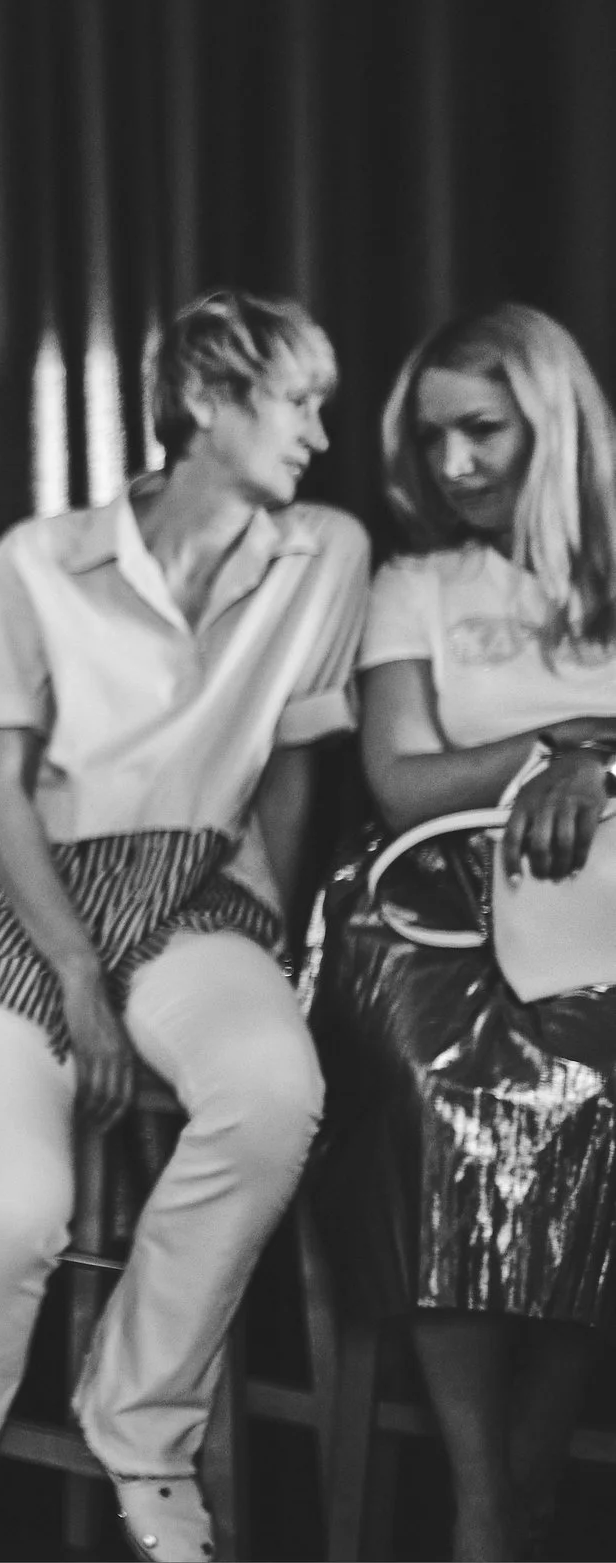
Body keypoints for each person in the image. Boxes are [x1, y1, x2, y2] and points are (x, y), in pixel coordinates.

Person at [0, 289, 370, 1563]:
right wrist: (79, 976)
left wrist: (264, 926)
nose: (319, 430)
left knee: (270, 1091)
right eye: (297, 399)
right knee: (16, 1205)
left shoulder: (327, 554)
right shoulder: (42, 558)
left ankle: (139, 1424)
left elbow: (301, 761)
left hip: (196, 895)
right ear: (207, 396)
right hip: (13, 906)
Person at [314, 302, 616, 1561]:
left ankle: (520, 1487)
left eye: (480, 430)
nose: (451, 468)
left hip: (599, 912)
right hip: (429, 906)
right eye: (431, 439)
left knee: (592, 1093)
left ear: (550, 420)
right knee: (453, 1091)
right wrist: (566, 745)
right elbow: (398, 776)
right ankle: (486, 1507)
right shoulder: (415, 582)